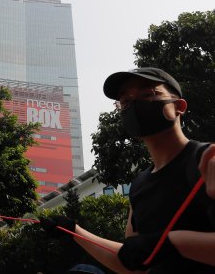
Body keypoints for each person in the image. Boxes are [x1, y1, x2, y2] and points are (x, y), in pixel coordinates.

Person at [40, 67, 215, 273]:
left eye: (148, 94)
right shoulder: (139, 186)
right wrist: (74, 231)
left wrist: (173, 242)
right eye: (125, 101)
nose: (135, 105)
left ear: (178, 106)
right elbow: (133, 263)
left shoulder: (207, 159)